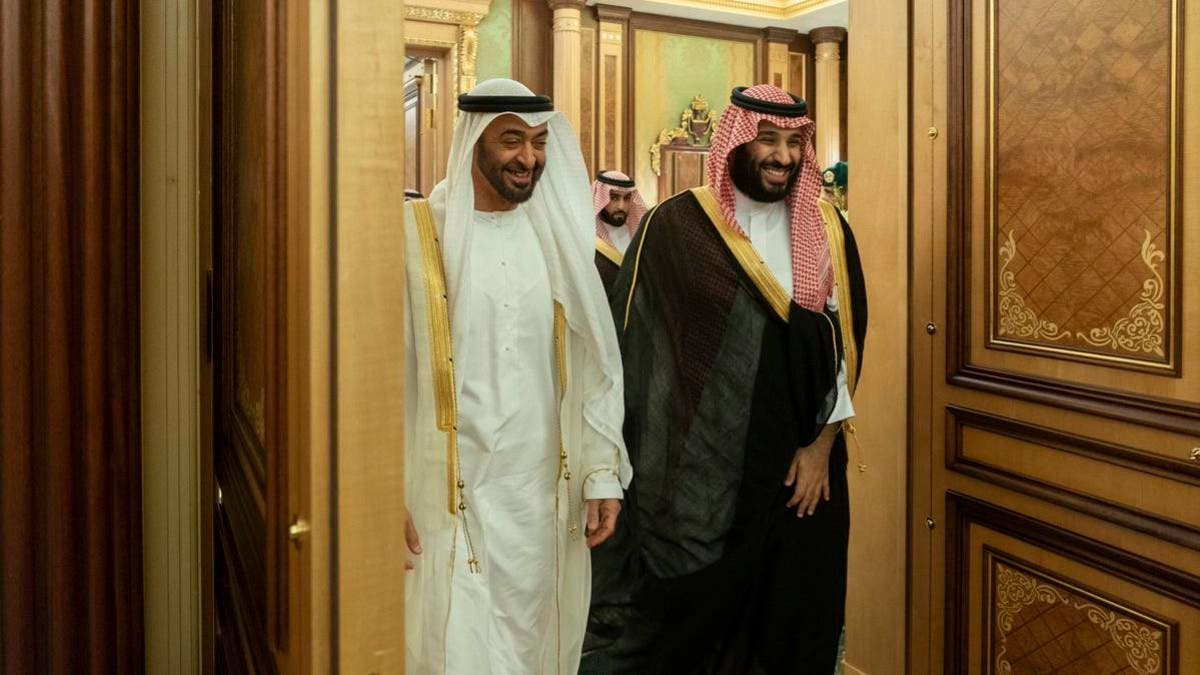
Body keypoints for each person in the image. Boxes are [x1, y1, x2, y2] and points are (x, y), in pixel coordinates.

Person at [583, 84, 867, 674]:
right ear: (736, 142)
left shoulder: (828, 229)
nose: (783, 156)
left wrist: (821, 447)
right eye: (768, 140)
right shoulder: (678, 225)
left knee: (796, 614)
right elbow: (636, 343)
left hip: (803, 467)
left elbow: (843, 347)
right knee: (694, 623)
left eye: (794, 142)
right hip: (704, 471)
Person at [401, 78, 632, 674]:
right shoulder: (419, 236)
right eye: (511, 141)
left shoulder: (555, 240)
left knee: (529, 647)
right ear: (474, 140)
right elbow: (383, 378)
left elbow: (595, 365)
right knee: (452, 649)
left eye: (538, 142)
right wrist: (381, 493)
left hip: (539, 500)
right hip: (444, 495)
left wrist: (601, 473)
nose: (528, 158)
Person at [591, 170, 648, 293]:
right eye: (614, 198)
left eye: (627, 198)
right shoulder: (589, 238)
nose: (621, 206)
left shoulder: (638, 235)